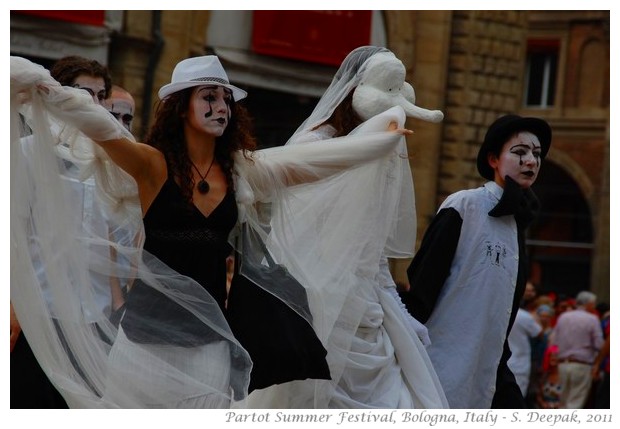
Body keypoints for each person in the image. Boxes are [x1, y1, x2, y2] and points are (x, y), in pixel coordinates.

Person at [10, 54, 410, 408]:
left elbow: (310, 163)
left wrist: (377, 139)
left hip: (210, 347)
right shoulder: (152, 165)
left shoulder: (241, 171)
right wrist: (43, 87)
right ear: (182, 107)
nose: (222, 108)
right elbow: (99, 126)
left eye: (226, 100)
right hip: (144, 346)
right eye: (209, 97)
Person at [245, 46, 448, 409]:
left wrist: (399, 312)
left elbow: (374, 247)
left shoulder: (382, 147)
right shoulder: (315, 144)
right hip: (316, 293)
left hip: (369, 304)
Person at [402, 113, 553, 408]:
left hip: (492, 367)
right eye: (519, 152)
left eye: (536, 154)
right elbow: (422, 284)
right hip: (442, 363)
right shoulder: (465, 205)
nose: (531, 162)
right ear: (493, 159)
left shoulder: (517, 223)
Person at [551, 290, 604, 408]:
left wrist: (553, 358)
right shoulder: (592, 319)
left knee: (562, 402)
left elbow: (554, 341)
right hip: (582, 365)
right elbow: (599, 344)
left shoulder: (563, 317)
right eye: (593, 303)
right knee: (575, 402)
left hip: (562, 364)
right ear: (589, 304)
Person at [507, 305, 542, 400]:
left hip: (501, 363)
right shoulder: (524, 316)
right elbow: (538, 332)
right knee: (516, 398)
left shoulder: (496, 312)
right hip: (519, 364)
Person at [536, 344, 562, 409]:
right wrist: (543, 403)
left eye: (556, 355)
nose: (553, 358)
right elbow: (538, 395)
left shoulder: (565, 375)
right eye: (551, 355)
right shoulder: (544, 376)